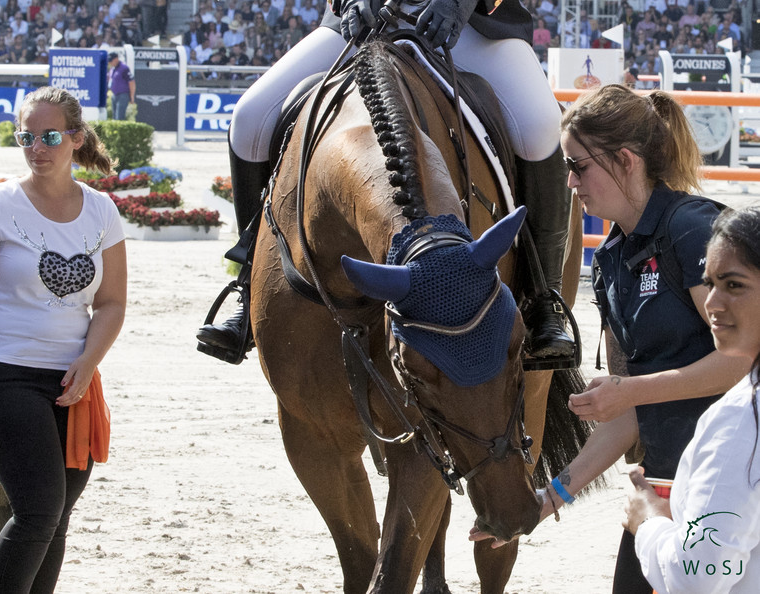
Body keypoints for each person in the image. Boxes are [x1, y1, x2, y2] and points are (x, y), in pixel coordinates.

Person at [469, 84, 748, 594]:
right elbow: (628, 415)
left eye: (578, 166)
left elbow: (743, 361)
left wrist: (631, 390)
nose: (569, 181)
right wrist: (546, 499)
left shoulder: (692, 229)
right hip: (663, 489)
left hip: (735, 481)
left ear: (625, 160)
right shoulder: (612, 259)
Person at [197, 0, 577, 365]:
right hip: (368, 20)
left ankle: (545, 300)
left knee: (540, 129)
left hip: (469, 26)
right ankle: (249, 289)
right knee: (249, 120)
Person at [0, 86, 126, 593]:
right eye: (26, 137)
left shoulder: (101, 210)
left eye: (49, 136)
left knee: (58, 516)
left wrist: (89, 363)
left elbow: (110, 303)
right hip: (3, 372)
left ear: (75, 138)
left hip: (74, 380)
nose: (36, 149)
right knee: (39, 512)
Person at [623, 206, 760, 593]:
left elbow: (695, 577)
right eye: (710, 283)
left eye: (733, 285)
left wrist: (649, 521)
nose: (713, 304)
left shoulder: (741, 421)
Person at [107, 51, 135, 120]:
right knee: (114, 117)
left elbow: (131, 82)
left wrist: (132, 96)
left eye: (111, 61)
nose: (110, 63)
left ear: (116, 59)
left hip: (123, 95)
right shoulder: (112, 69)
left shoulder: (124, 68)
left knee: (119, 117)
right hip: (114, 95)